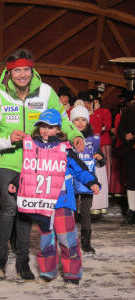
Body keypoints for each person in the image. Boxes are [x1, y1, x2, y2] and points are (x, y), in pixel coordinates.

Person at [0, 49, 84, 280]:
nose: (22, 74)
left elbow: (63, 120)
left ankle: (23, 262)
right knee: (9, 207)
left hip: (36, 162)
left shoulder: (45, 92)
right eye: (17, 70)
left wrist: (75, 135)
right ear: (9, 71)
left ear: (32, 70)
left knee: (25, 211)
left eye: (26, 69)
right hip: (8, 160)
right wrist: (7, 139)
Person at [8, 109, 100, 285]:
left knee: (67, 239)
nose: (45, 131)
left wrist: (92, 182)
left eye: (50, 127)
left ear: (58, 129)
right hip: (42, 202)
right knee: (46, 240)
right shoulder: (33, 146)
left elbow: (80, 169)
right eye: (42, 126)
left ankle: (72, 274)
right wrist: (16, 182)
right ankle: (48, 272)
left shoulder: (65, 148)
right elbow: (28, 170)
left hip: (63, 201)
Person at [70, 104, 106, 254]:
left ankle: (86, 242)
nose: (79, 123)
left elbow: (102, 161)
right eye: (76, 119)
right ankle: (69, 240)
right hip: (71, 180)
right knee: (70, 211)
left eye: (83, 119)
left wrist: (100, 157)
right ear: (71, 122)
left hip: (88, 182)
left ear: (87, 122)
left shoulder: (93, 140)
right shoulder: (67, 139)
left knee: (85, 211)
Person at [117, 90, 135, 225]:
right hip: (131, 151)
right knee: (131, 182)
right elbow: (120, 130)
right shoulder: (128, 111)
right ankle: (132, 211)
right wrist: (125, 135)